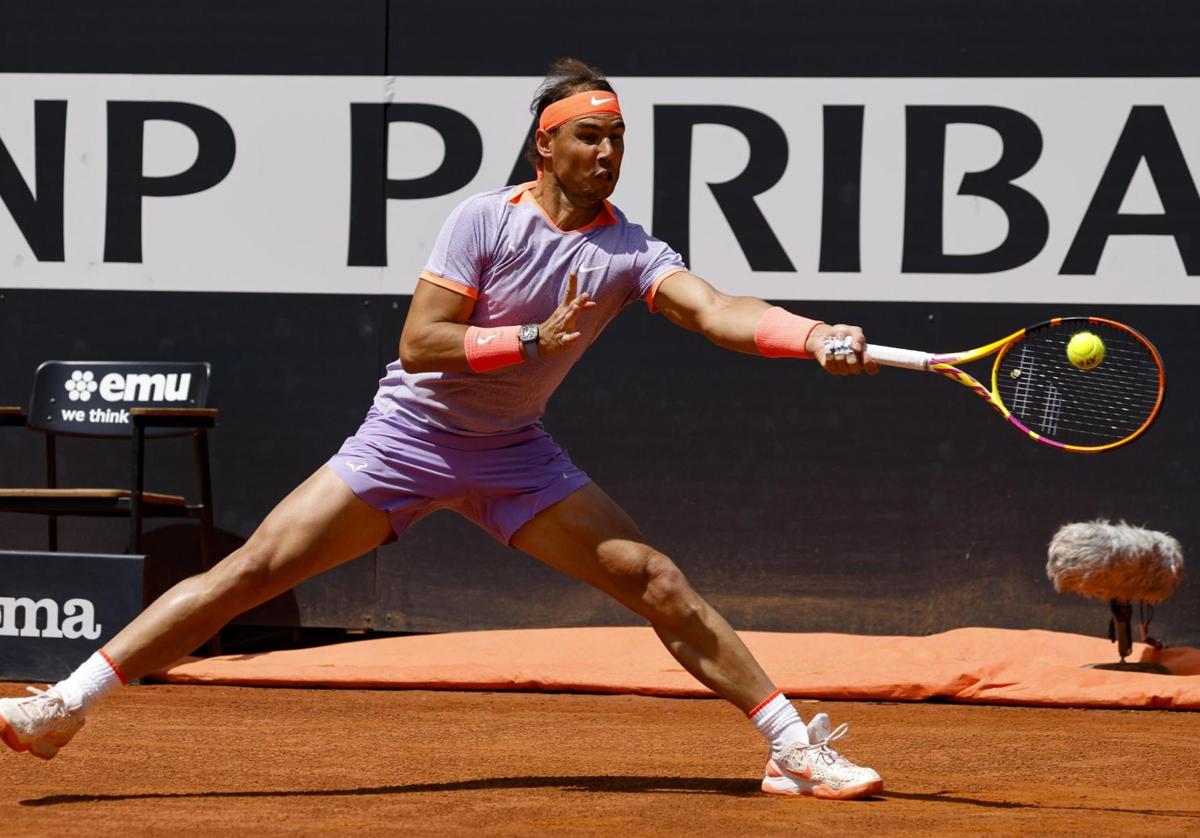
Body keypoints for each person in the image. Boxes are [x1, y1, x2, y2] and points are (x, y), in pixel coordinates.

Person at [0, 58, 882, 800]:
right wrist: (531, 338)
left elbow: (717, 308)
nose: (609, 153)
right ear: (548, 143)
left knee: (656, 581)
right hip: (405, 443)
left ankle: (789, 748)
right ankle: (65, 704)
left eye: (618, 140)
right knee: (248, 573)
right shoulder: (483, 219)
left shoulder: (631, 251)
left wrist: (812, 337)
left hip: (514, 458)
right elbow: (421, 343)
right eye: (590, 136)